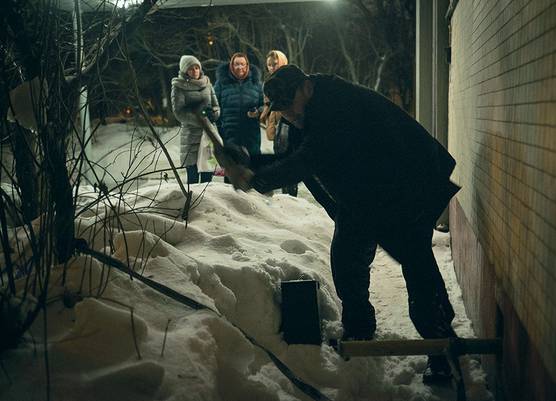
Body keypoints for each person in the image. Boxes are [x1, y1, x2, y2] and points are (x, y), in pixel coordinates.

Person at [226, 65, 461, 383]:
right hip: (367, 193)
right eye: (281, 111)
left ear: (306, 88)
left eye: (289, 106)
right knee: (347, 258)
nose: (289, 116)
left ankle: (443, 347)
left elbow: (309, 158)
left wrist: (258, 179)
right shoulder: (305, 114)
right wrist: (245, 161)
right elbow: (293, 156)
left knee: (416, 263)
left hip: (410, 184)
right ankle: (361, 331)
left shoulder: (337, 104)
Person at [171, 55, 220, 184]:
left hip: (209, 135)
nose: (195, 71)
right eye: (191, 68)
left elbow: (216, 107)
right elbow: (179, 112)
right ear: (185, 71)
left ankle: (207, 203)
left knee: (207, 177)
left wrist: (213, 114)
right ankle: (193, 203)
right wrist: (200, 120)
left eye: (197, 67)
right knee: (192, 177)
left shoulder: (207, 83)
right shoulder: (178, 86)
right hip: (191, 136)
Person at [260, 50, 298, 196]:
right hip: (276, 126)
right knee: (280, 160)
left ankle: (291, 197)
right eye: (269, 65)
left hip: (289, 124)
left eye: (274, 64)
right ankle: (285, 196)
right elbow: (267, 104)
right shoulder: (269, 82)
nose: (271, 67)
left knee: (290, 162)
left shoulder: (291, 79)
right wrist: (262, 112)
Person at [214, 53, 263, 160]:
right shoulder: (221, 84)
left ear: (247, 66)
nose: (239, 67)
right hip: (229, 133)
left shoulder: (257, 84)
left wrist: (258, 112)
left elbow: (264, 105)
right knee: (232, 168)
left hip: (251, 134)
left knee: (253, 166)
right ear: (231, 66)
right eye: (236, 64)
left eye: (242, 64)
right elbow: (213, 105)